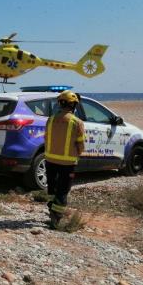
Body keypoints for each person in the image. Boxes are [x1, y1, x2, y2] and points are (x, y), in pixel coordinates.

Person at [43, 90, 85, 228]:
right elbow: (81, 144)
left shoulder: (51, 119)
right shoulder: (77, 122)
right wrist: (77, 154)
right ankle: (56, 218)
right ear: (73, 105)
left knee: (52, 188)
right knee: (62, 191)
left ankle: (52, 210)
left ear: (60, 104)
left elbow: (46, 138)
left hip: (49, 160)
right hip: (67, 163)